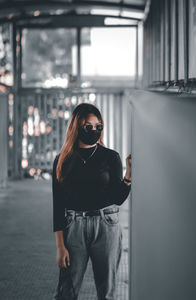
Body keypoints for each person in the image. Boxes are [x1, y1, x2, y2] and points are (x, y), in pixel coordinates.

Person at [52, 102, 132, 300]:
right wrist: (60, 247)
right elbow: (58, 206)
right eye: (89, 127)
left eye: (99, 127)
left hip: (106, 225)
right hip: (74, 227)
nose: (94, 130)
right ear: (76, 127)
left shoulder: (111, 157)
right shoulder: (62, 160)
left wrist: (129, 173)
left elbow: (118, 198)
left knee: (106, 292)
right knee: (66, 292)